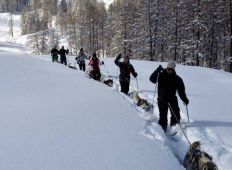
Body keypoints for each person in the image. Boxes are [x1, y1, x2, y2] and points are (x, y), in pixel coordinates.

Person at [149, 61, 189, 132]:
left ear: (174, 69)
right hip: (162, 99)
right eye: (168, 69)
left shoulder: (177, 79)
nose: (170, 71)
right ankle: (162, 129)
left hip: (172, 99)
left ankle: (174, 128)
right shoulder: (160, 74)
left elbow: (181, 91)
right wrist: (156, 72)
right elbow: (152, 80)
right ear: (166, 68)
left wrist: (184, 99)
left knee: (176, 115)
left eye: (172, 70)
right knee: (163, 115)